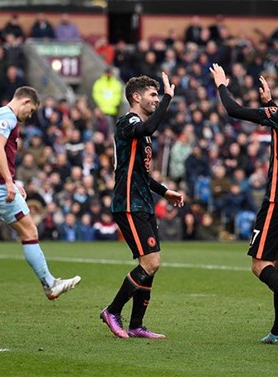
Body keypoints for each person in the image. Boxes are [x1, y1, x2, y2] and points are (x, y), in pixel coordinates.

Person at [210, 63, 278, 346]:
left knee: (260, 264)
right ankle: (277, 331)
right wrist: (269, 103)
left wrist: (221, 85)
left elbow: (234, 110)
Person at [0, 86, 81, 305]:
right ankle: (49, 283)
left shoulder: (0, 115)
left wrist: (13, 182)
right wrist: (8, 182)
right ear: (26, 102)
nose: (31, 115)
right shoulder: (7, 116)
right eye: (32, 110)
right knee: (29, 230)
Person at [100, 73, 184, 339]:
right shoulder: (128, 122)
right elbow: (147, 129)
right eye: (153, 95)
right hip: (128, 203)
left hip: (142, 202)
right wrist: (169, 98)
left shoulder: (141, 130)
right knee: (150, 262)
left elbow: (142, 175)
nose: (156, 99)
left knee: (151, 263)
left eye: (158, 95)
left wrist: (164, 191)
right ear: (136, 97)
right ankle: (112, 311)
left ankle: (136, 325)